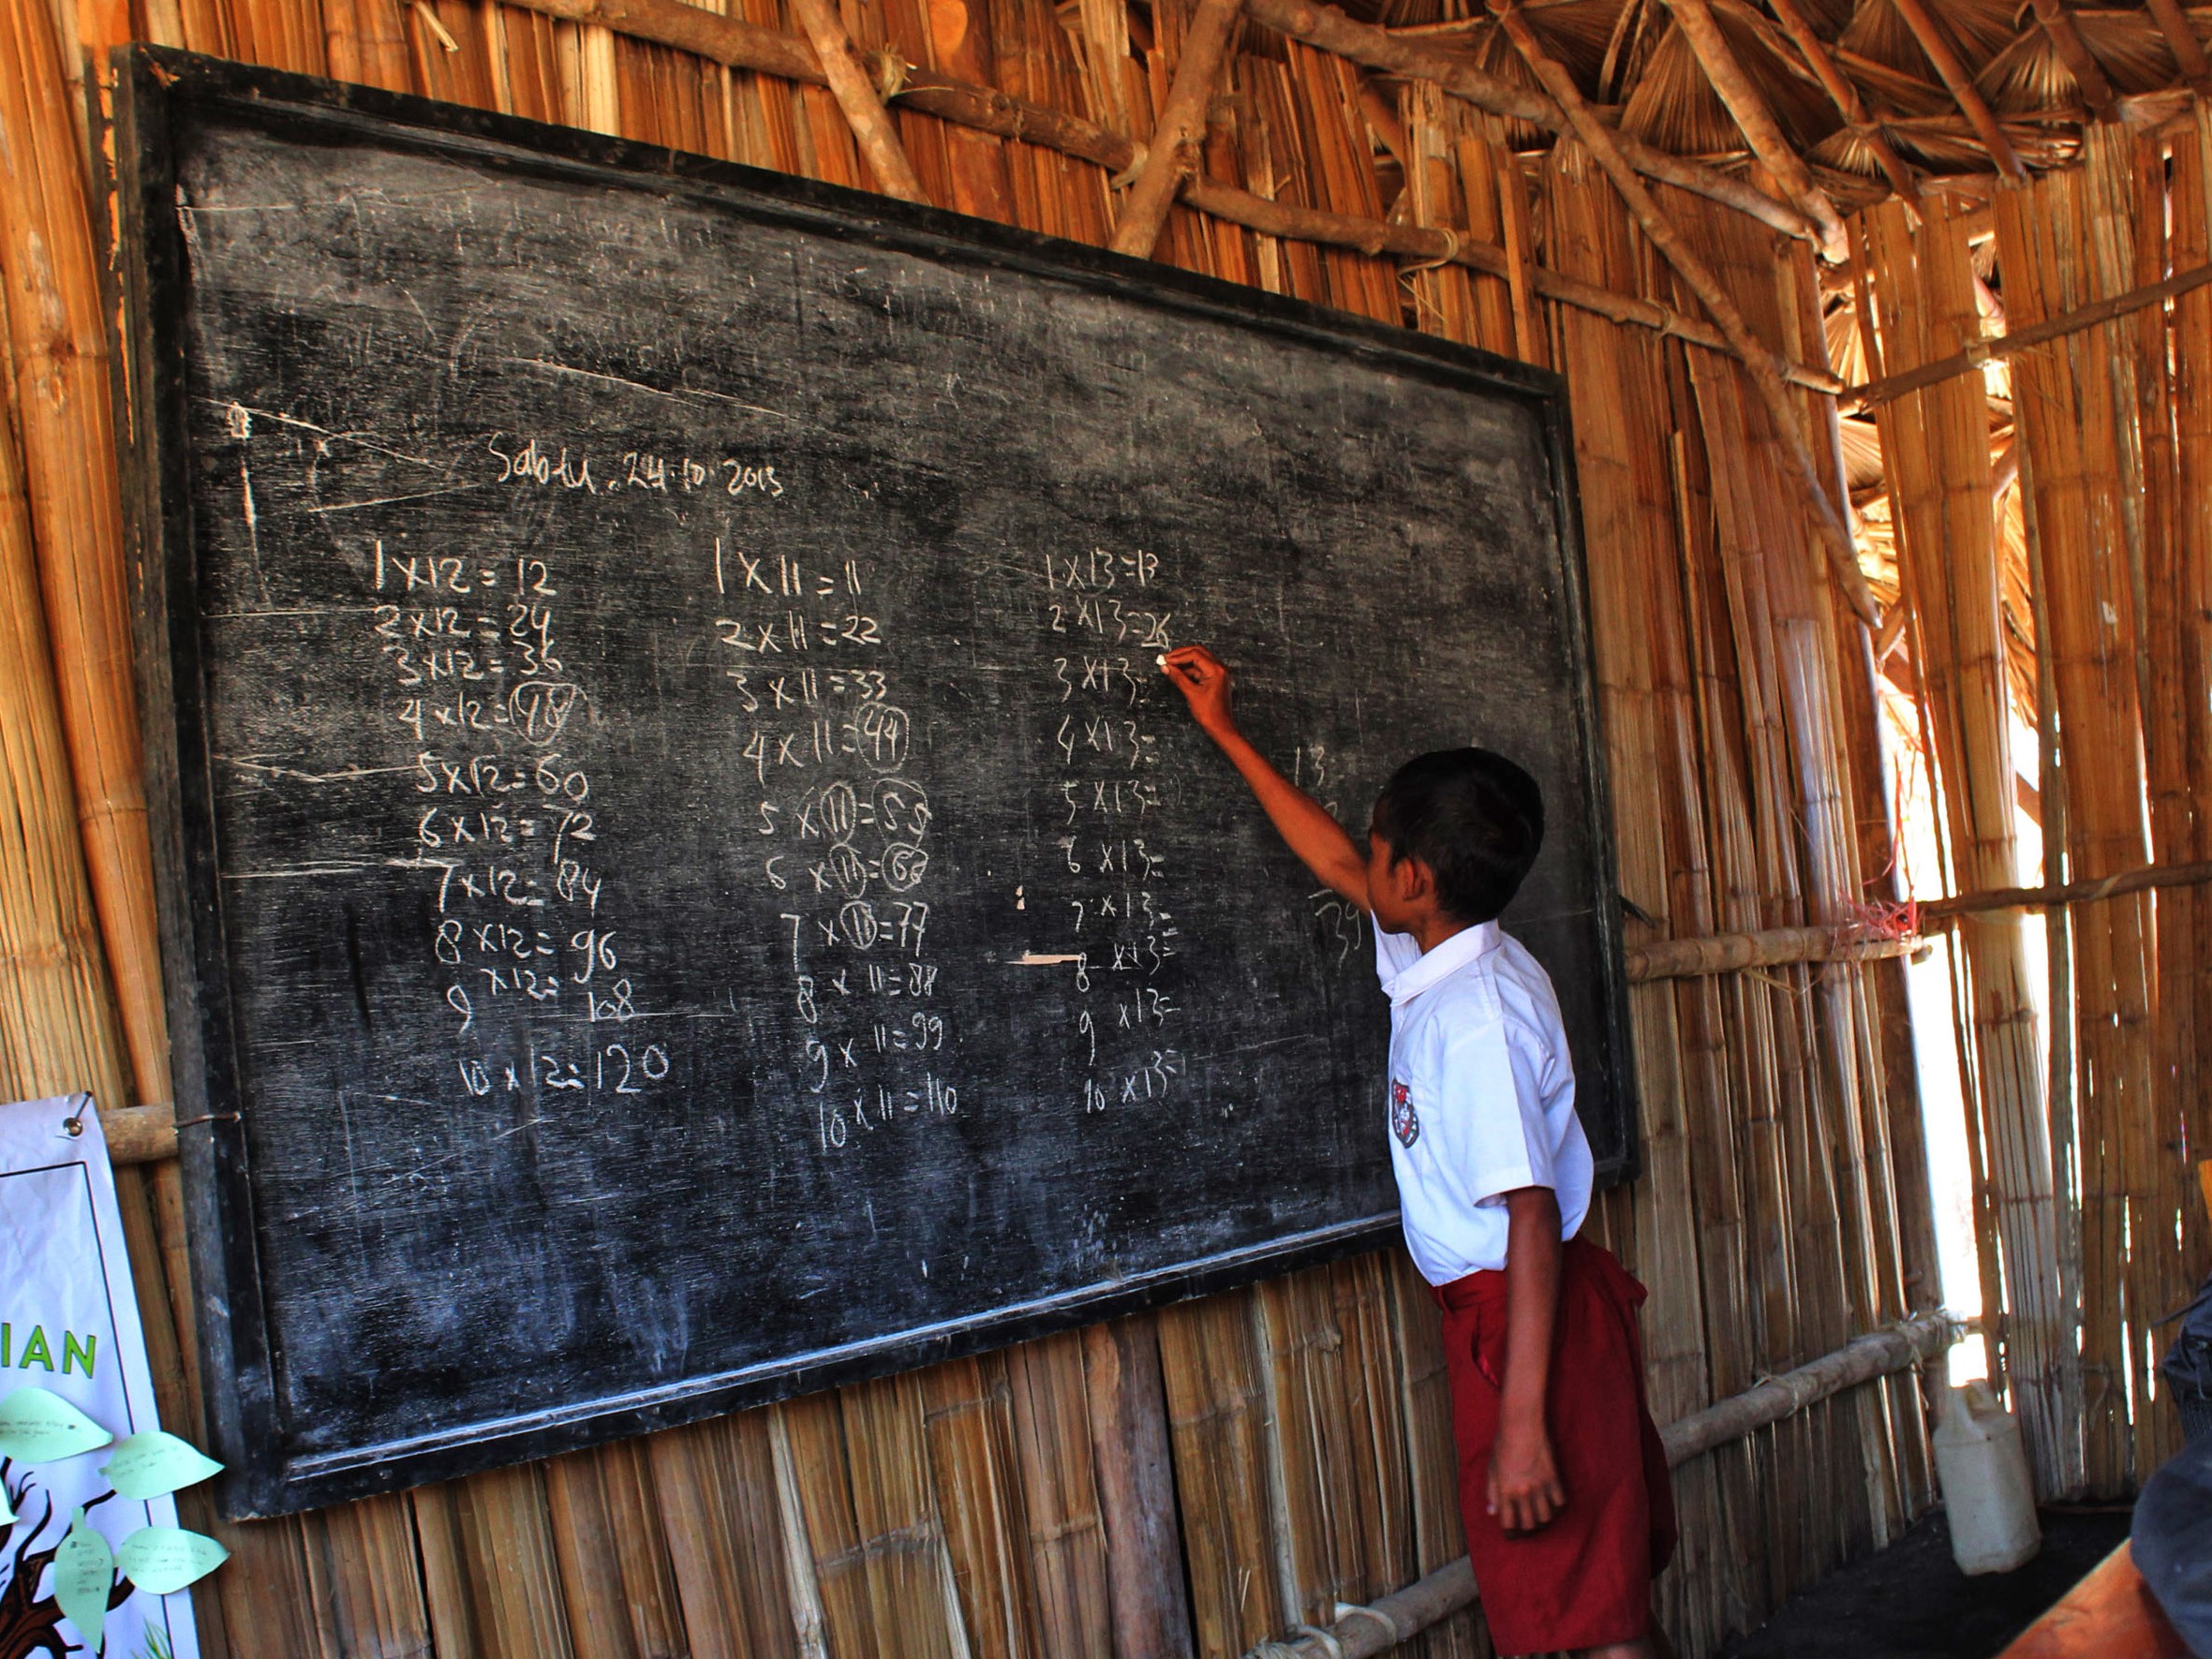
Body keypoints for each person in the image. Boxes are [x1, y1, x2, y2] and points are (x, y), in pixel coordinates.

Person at [1161, 644, 1676, 1659]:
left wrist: (1520, 1424)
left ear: (1415, 877)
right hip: (1518, 1319)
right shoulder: (1446, 948)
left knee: (1590, 1620)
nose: (1362, 857)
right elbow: (1336, 865)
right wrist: (1225, 731)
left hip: (1524, 1321)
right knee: (1591, 1596)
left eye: (1378, 843)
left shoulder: (1475, 1019)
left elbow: (1531, 1212)